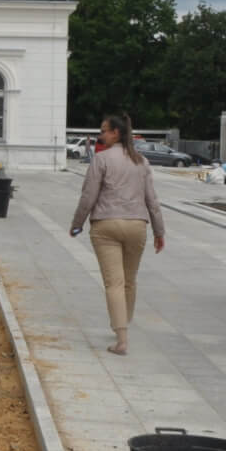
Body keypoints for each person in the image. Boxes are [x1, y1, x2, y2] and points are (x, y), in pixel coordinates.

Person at [69, 114, 166, 356]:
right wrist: (159, 231)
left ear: (116, 133)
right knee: (129, 281)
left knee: (114, 282)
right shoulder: (141, 162)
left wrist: (77, 224)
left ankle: (121, 338)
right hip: (137, 225)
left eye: (104, 131)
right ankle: (123, 324)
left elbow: (88, 196)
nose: (101, 135)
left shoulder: (101, 159)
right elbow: (152, 200)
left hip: (106, 225)